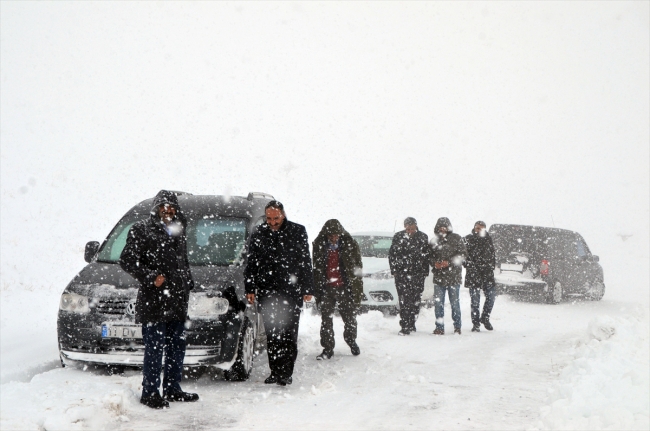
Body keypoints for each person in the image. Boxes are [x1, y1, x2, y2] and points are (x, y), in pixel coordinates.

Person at [120, 190, 198, 409]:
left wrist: (188, 283)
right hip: (155, 301)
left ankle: (173, 389)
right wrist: (151, 277)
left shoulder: (178, 229)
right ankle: (150, 393)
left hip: (178, 300)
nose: (167, 210)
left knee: (177, 347)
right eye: (163, 206)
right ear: (155, 208)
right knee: (154, 349)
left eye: (171, 207)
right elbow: (127, 260)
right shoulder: (141, 229)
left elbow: (182, 261)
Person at [244, 201, 314, 386]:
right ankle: (275, 371)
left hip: (291, 291)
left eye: (276, 218)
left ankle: (286, 372)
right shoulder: (259, 233)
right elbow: (251, 262)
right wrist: (250, 287)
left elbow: (305, 261)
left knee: (288, 334)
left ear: (283, 214)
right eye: (269, 218)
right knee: (272, 334)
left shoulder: (297, 231)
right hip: (268, 291)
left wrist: (308, 288)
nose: (272, 222)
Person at [312, 219, 363, 359]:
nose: (334, 239)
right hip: (327, 289)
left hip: (345, 288)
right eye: (331, 236)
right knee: (326, 321)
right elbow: (316, 269)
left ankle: (351, 341)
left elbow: (358, 267)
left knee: (350, 319)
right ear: (326, 235)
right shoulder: (319, 246)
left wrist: (357, 288)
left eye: (336, 236)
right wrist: (317, 290)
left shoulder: (350, 244)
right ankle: (328, 348)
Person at [388, 217, 431, 336]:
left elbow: (426, 256)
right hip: (402, 275)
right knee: (404, 300)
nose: (410, 231)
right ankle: (404, 325)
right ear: (404, 227)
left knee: (415, 300)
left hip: (418, 275)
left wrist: (424, 272)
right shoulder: (398, 236)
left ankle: (412, 322)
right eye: (408, 228)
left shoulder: (423, 237)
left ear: (416, 226)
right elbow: (392, 255)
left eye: (412, 228)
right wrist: (394, 270)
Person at [430, 217, 467, 335]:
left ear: (448, 227)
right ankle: (439, 327)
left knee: (455, 304)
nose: (442, 229)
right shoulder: (433, 241)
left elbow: (463, 255)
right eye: (440, 227)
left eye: (444, 227)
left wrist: (449, 262)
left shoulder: (457, 238)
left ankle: (457, 327)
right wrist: (434, 263)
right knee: (438, 304)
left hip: (453, 277)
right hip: (439, 277)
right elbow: (428, 256)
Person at [463, 221, 496, 332]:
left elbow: (492, 254)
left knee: (491, 297)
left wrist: (491, 266)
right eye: (477, 228)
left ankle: (485, 318)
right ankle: (476, 323)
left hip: (487, 273)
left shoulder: (488, 239)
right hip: (473, 274)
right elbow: (462, 255)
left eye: (482, 229)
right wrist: (468, 264)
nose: (479, 230)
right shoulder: (468, 239)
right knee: (475, 301)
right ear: (474, 228)